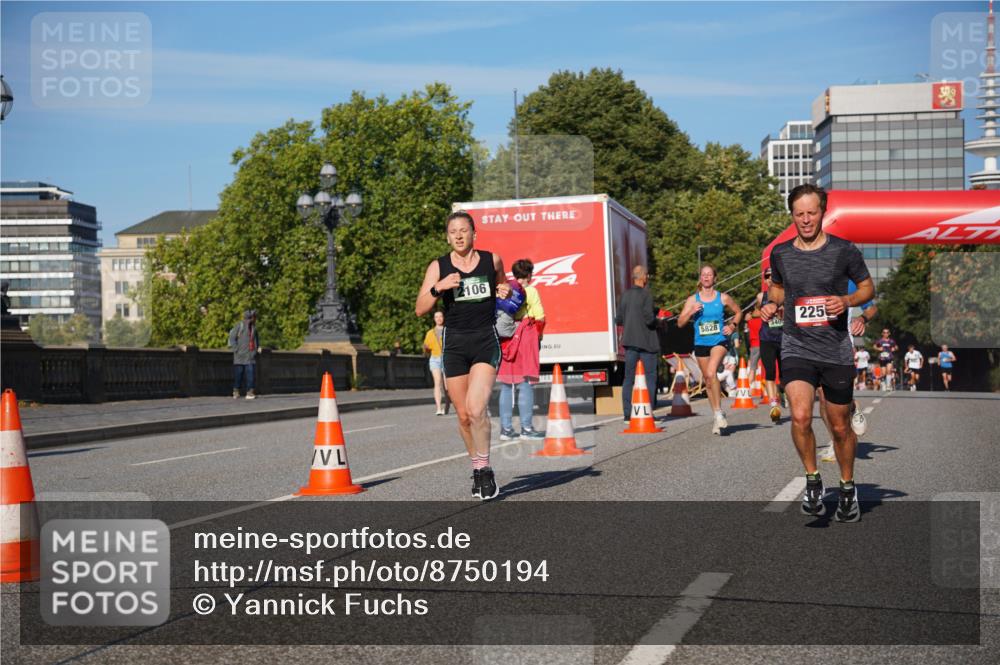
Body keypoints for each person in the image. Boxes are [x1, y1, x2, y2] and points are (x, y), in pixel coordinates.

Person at [760, 183, 873, 522]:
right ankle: (812, 480)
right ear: (792, 216)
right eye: (799, 214)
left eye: (812, 213)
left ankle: (848, 486)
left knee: (839, 427)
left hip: (835, 349)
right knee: (799, 415)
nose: (806, 220)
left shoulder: (844, 250)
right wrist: (770, 304)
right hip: (796, 345)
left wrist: (847, 301)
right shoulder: (781, 253)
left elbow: (868, 287)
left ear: (823, 212)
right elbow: (777, 288)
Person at [416, 211, 510, 501]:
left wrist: (505, 290)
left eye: (463, 230)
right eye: (453, 231)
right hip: (455, 345)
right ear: (448, 237)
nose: (458, 235)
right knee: (464, 416)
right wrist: (439, 287)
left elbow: (504, 286)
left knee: (477, 409)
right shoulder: (438, 266)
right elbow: (420, 308)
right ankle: (477, 467)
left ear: (474, 234)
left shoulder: (492, 260)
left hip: (485, 340)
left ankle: (485, 470)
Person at [678, 265, 742, 435]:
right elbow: (680, 322)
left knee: (712, 372)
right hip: (701, 343)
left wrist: (732, 326)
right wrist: (691, 311)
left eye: (709, 274)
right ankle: (716, 415)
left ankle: (719, 413)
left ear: (715, 278)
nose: (706, 277)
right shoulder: (692, 300)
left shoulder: (723, 298)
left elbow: (738, 312)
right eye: (703, 274)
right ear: (700, 278)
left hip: (719, 341)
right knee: (707, 379)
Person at [497, 259, 546, 441]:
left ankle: (506, 429)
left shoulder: (505, 290)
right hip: (524, 336)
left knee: (506, 385)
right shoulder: (531, 291)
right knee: (525, 383)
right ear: (529, 275)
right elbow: (540, 317)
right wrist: (539, 338)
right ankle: (526, 428)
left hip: (506, 339)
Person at [615, 265, 661, 423]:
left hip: (629, 342)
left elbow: (619, 319)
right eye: (647, 275)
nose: (648, 277)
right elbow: (649, 319)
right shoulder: (646, 295)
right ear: (643, 277)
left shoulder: (625, 295)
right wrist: (659, 321)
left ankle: (628, 414)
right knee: (650, 377)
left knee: (629, 378)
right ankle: (648, 412)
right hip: (647, 343)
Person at [754, 268, 785, 423]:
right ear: (765, 280)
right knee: (770, 372)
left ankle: (783, 392)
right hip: (767, 338)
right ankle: (774, 405)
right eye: (767, 276)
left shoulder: (785, 294)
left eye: (773, 276)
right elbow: (755, 312)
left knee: (785, 375)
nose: (770, 279)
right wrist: (761, 313)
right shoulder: (761, 296)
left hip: (784, 338)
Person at [229, 309, 260, 399]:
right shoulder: (240, 326)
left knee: (251, 375)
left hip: (250, 356)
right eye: (254, 317)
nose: (255, 319)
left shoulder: (253, 328)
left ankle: (250, 392)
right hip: (239, 356)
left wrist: (255, 350)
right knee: (238, 375)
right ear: (250, 318)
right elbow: (232, 338)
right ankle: (236, 391)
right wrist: (236, 349)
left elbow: (256, 341)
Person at [422, 311, 447, 415]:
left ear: (443, 318)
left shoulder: (448, 331)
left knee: (447, 386)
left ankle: (447, 405)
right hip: (435, 358)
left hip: (447, 359)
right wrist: (425, 348)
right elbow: (426, 349)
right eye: (436, 317)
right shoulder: (430, 333)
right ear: (434, 319)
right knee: (437, 382)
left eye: (440, 316)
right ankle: (438, 408)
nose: (439, 318)